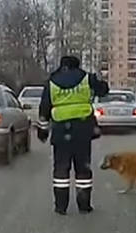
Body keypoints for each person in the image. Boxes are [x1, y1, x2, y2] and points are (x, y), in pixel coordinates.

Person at [37, 55, 109, 215]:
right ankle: (84, 205)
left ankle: (60, 206)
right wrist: (100, 80)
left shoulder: (51, 82)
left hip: (61, 131)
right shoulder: (86, 78)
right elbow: (103, 90)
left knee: (61, 169)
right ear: (77, 65)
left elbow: (44, 108)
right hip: (83, 130)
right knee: (83, 169)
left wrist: (43, 131)